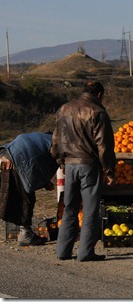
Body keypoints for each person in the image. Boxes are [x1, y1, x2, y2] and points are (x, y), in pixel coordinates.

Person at [51, 81, 116, 262]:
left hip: (69, 165)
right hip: (88, 165)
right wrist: (109, 170)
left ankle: (62, 251)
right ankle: (85, 252)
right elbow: (104, 146)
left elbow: (55, 140)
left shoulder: (64, 109)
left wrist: (60, 161)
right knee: (90, 209)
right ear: (100, 94)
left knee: (69, 207)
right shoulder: (97, 112)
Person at [0, 132, 59, 246]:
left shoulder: (42, 137)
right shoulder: (55, 144)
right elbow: (45, 163)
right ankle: (25, 234)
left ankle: (24, 232)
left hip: (5, 153)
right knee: (26, 198)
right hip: (15, 160)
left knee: (12, 194)